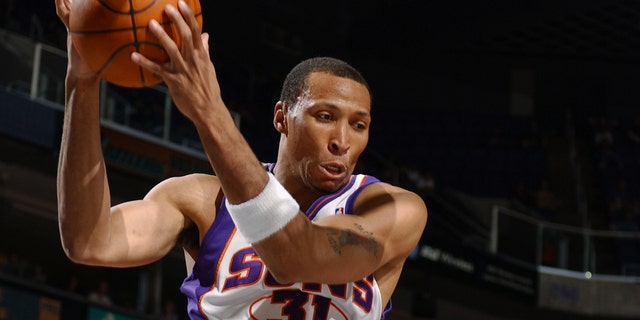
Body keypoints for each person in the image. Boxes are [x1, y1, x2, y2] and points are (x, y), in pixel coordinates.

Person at [54, 0, 428, 319]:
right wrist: (81, 82)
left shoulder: (392, 209)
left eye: (359, 125)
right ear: (282, 117)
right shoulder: (203, 201)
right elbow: (90, 242)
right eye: (325, 117)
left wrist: (209, 111)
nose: (342, 141)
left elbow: (297, 256)